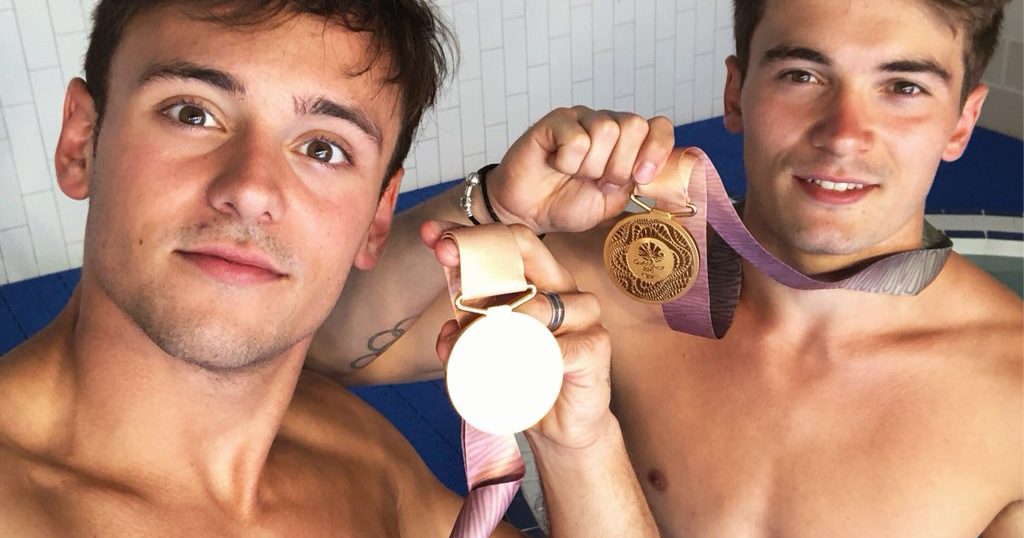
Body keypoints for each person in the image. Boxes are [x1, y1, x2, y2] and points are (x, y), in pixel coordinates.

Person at [309, 0, 1024, 535]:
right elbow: (327, 349)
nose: (843, 136)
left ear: (962, 122)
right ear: (735, 95)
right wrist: (496, 203)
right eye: (802, 75)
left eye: (903, 88)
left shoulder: (1011, 403)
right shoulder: (612, 279)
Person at [0, 1, 658, 536]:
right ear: (81, 142)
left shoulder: (359, 459)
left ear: (377, 219)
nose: (251, 189)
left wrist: (581, 448)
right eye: (192, 113)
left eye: (322, 149)